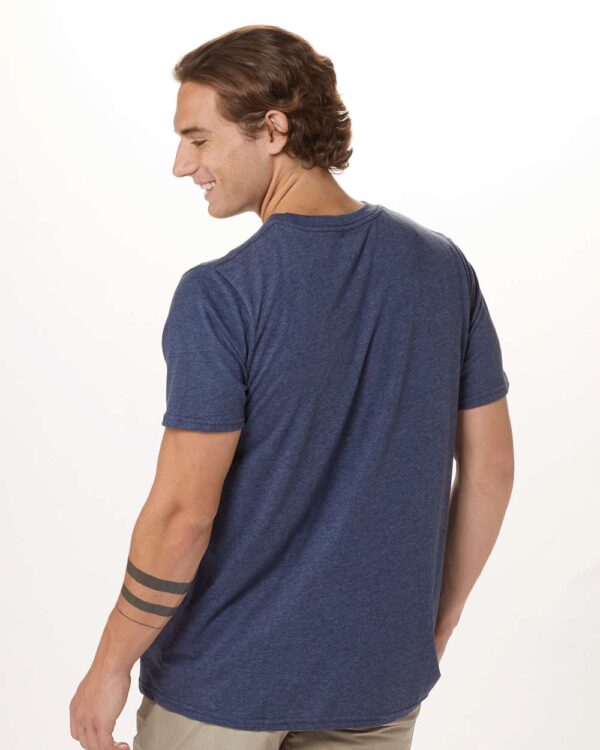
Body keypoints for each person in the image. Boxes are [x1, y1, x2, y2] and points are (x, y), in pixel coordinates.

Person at [69, 24, 514, 750]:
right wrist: (437, 621)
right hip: (376, 680)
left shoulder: (223, 294)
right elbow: (492, 469)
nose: (183, 164)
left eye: (199, 139)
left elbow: (182, 515)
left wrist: (109, 663)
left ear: (273, 130)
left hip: (224, 683)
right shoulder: (442, 268)